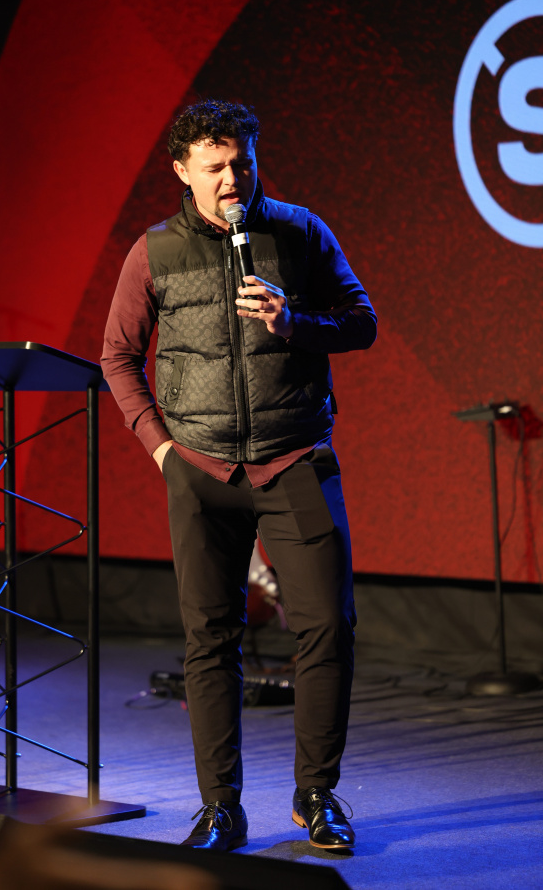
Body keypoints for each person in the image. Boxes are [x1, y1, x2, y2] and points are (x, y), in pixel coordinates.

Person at [101, 99, 377, 852]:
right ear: (182, 170)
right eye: (215, 167)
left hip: (294, 458)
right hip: (199, 466)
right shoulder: (153, 251)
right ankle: (220, 806)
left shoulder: (300, 230)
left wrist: (294, 323)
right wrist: (161, 448)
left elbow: (361, 321)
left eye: (243, 164)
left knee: (328, 626)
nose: (232, 180)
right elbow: (118, 357)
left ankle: (316, 794)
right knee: (210, 637)